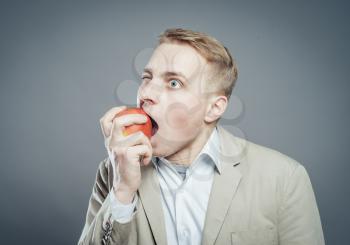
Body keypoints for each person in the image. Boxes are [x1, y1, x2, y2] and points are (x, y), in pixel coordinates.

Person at [78, 28, 325, 245]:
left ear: (214, 108)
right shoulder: (113, 172)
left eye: (174, 83)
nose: (146, 94)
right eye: (147, 78)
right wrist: (122, 190)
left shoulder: (284, 178)